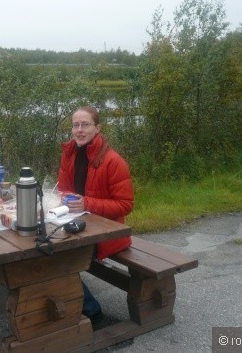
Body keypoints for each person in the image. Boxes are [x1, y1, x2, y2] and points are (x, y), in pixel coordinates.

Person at [57, 106, 134, 326]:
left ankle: (93, 313)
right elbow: (63, 188)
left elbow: (125, 205)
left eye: (85, 125)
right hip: (77, 225)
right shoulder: (69, 153)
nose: (79, 130)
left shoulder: (113, 161)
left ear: (97, 128)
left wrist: (87, 203)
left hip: (106, 235)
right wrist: (63, 198)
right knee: (43, 250)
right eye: (75, 125)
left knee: (60, 261)